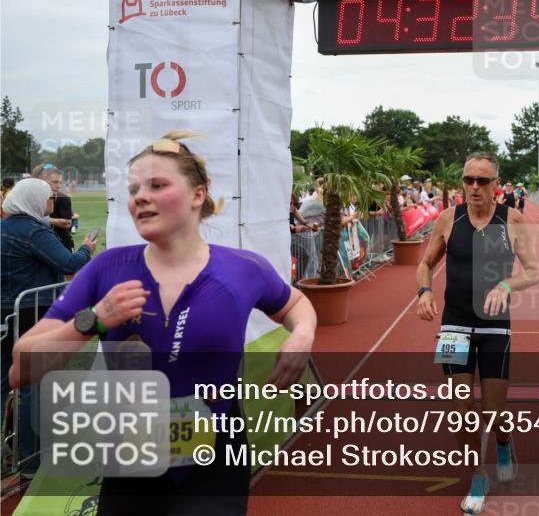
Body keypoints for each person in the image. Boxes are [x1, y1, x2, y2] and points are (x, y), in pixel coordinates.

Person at [10, 131, 317, 515]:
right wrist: (92, 322)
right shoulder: (108, 268)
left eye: (157, 185)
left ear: (197, 194)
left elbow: (297, 304)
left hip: (218, 451)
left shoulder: (243, 269)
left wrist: (302, 334)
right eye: (135, 187)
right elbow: (21, 369)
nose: (140, 196)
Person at [416, 152, 539, 514]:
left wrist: (506, 285)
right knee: (460, 409)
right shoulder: (447, 220)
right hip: (454, 324)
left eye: (482, 181)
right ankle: (477, 476)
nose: (474, 187)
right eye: (469, 179)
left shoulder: (512, 220)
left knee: (493, 410)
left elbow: (533, 271)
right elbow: (425, 265)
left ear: (495, 185)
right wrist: (424, 291)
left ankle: (504, 439)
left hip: (494, 326)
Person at [1, 178, 96, 475]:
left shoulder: (4, 227)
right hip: (30, 314)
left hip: (7, 313)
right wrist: (87, 248)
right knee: (32, 387)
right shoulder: (33, 231)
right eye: (48, 197)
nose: (50, 202)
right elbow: (69, 263)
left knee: (3, 384)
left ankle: (13, 455)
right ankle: (30, 461)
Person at [32, 164, 76, 251]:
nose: (59, 185)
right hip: (38, 244)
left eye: (60, 182)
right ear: (41, 181)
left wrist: (46, 220)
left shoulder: (63, 198)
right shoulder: (31, 198)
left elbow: (68, 223)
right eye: (55, 182)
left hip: (61, 244)